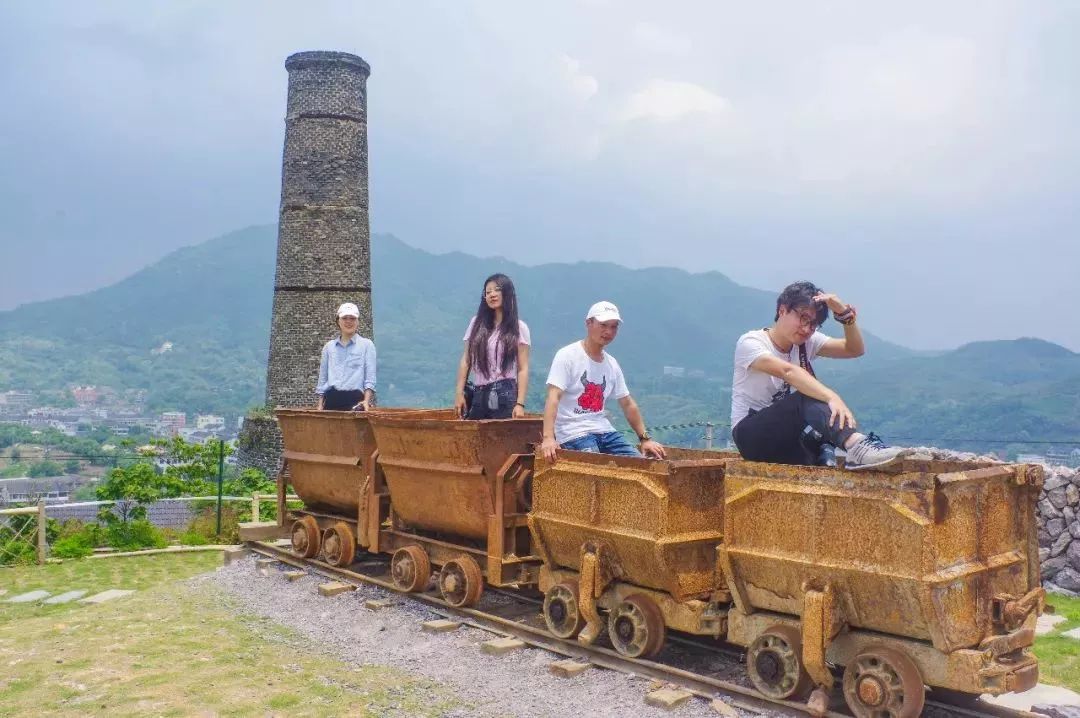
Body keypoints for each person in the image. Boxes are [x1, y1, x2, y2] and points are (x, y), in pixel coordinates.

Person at [730, 281, 912, 469]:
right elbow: (789, 372)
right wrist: (832, 396)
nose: (807, 329)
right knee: (807, 393)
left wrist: (845, 315)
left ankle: (838, 453)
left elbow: (854, 349)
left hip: (783, 436)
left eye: (814, 324)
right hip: (750, 437)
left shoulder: (806, 343)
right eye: (803, 318)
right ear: (782, 310)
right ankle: (856, 446)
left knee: (819, 425)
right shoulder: (751, 342)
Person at [540, 301, 666, 462]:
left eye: (614, 327)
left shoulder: (611, 364)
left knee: (640, 465)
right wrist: (549, 438)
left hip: (605, 431)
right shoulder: (567, 356)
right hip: (573, 432)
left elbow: (627, 403)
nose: (608, 331)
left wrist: (645, 439)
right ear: (588, 323)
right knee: (598, 469)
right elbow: (553, 397)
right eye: (603, 325)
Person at [454, 274, 531, 419]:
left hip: (505, 394)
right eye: (488, 292)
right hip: (478, 394)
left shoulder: (519, 328)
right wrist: (459, 393)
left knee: (503, 439)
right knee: (474, 440)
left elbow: (523, 368)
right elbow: (466, 360)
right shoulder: (476, 324)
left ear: (507, 293)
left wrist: (520, 404)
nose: (492, 295)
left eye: (497, 290)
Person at [316, 302, 376, 411]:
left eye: (352, 318)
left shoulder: (367, 345)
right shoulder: (329, 347)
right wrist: (320, 405)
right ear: (338, 321)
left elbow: (370, 377)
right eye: (345, 318)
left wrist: (366, 401)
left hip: (356, 400)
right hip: (331, 399)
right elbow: (323, 379)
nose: (348, 321)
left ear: (358, 322)